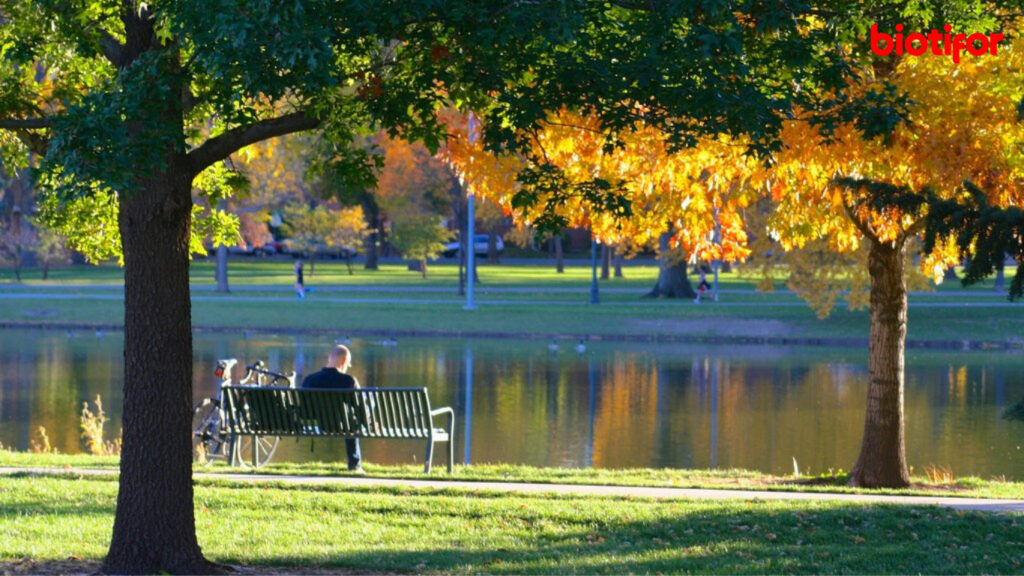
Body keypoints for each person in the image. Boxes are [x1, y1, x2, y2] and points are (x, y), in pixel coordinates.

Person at [301, 344, 363, 472]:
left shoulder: (309, 380)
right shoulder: (348, 381)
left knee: (351, 420)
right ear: (344, 361)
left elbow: (304, 412)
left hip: (318, 424)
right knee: (353, 422)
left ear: (329, 358)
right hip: (342, 426)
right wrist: (370, 422)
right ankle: (355, 465)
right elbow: (360, 408)